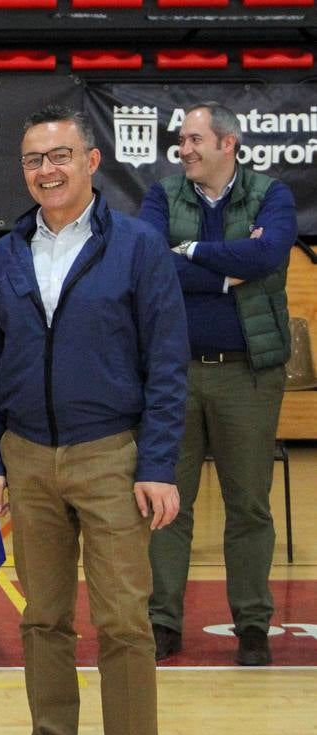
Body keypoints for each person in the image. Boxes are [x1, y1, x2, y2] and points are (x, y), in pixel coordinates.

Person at [0, 105, 188, 735]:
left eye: (60, 155)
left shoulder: (137, 247)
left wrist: (156, 464)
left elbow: (164, 364)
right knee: (43, 617)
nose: (47, 170)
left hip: (110, 456)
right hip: (26, 458)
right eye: (34, 159)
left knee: (125, 616)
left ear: (91, 161)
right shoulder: (5, 254)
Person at [139, 102, 298, 666]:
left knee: (249, 505)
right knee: (164, 505)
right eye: (182, 140)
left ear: (227, 144)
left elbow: (270, 254)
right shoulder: (161, 196)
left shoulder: (271, 194)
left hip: (248, 374)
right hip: (172, 374)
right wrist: (232, 269)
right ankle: (162, 623)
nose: (183, 149)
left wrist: (195, 252)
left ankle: (253, 626)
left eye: (194, 139)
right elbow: (152, 263)